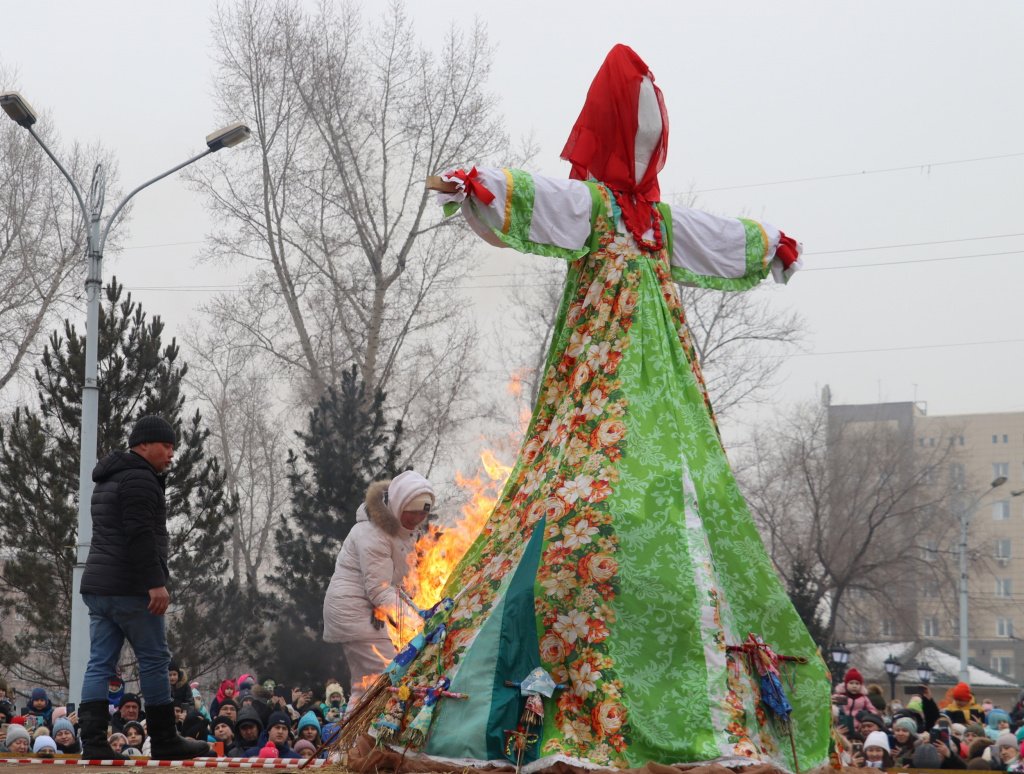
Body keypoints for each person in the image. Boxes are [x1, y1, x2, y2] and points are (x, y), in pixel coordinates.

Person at [388, 43, 825, 770]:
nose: (649, 139)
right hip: (599, 382)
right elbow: (532, 199)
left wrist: (767, 246)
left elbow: (716, 236)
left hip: (666, 391)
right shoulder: (592, 208)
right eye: (638, 124)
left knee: (672, 499)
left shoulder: (656, 220)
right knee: (582, 505)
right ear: (615, 128)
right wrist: (480, 186)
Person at [77, 415, 210, 760]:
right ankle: (166, 739)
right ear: (144, 444)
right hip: (131, 588)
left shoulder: (108, 478)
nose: (171, 453)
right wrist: (155, 583)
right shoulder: (140, 479)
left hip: (99, 586)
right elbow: (139, 535)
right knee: (153, 660)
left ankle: (93, 743)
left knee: (99, 663)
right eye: (166, 446)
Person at [323, 470, 435, 705]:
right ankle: (368, 739)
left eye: (421, 514)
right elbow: (379, 589)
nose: (416, 520)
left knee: (363, 687)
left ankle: (349, 740)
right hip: (354, 611)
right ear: (397, 506)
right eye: (411, 514)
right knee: (389, 680)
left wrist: (418, 611)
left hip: (364, 611)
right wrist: (417, 625)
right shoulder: (373, 533)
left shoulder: (401, 535)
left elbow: (394, 586)